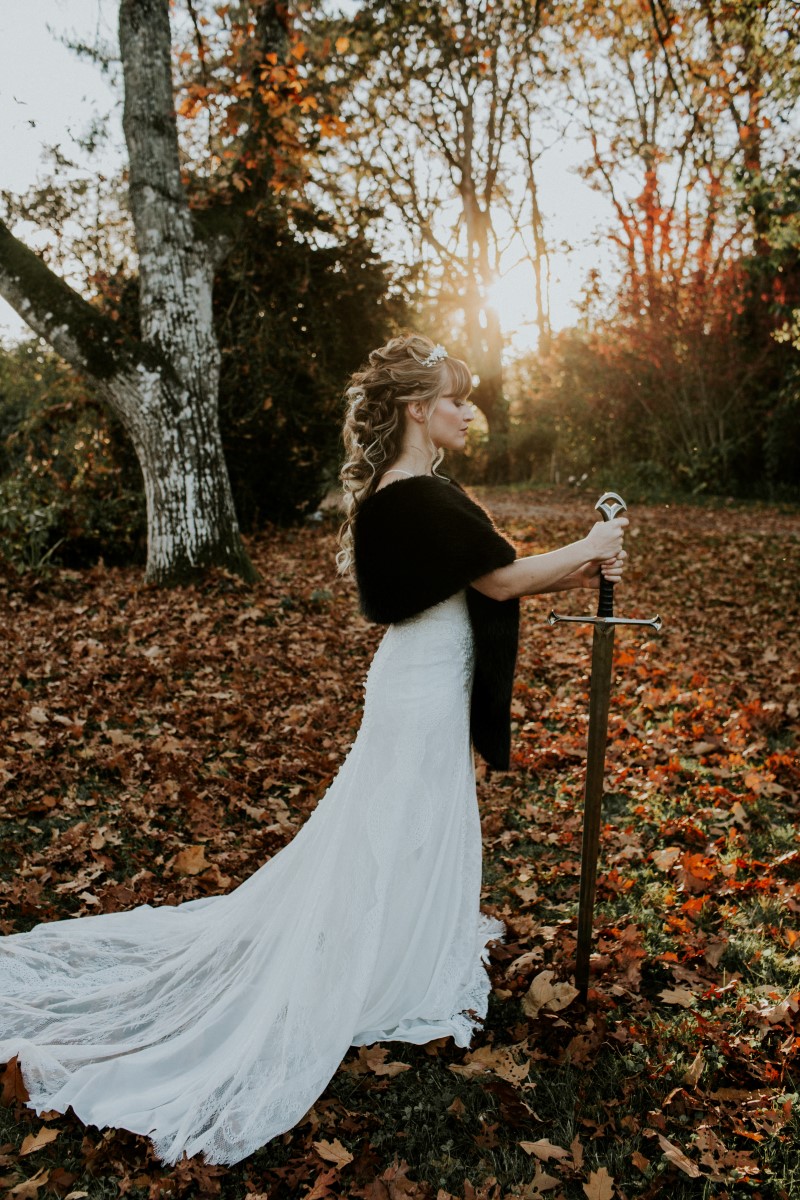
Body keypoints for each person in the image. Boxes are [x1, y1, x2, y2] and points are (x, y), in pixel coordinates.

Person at [0, 333, 627, 1168]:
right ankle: (367, 963)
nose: (469, 413)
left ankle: (396, 945)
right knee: (387, 827)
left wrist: (584, 566)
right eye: (455, 399)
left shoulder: (418, 492)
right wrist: (589, 547)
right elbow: (504, 581)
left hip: (425, 679)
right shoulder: (413, 497)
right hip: (417, 690)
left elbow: (497, 572)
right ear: (416, 409)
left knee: (410, 824)